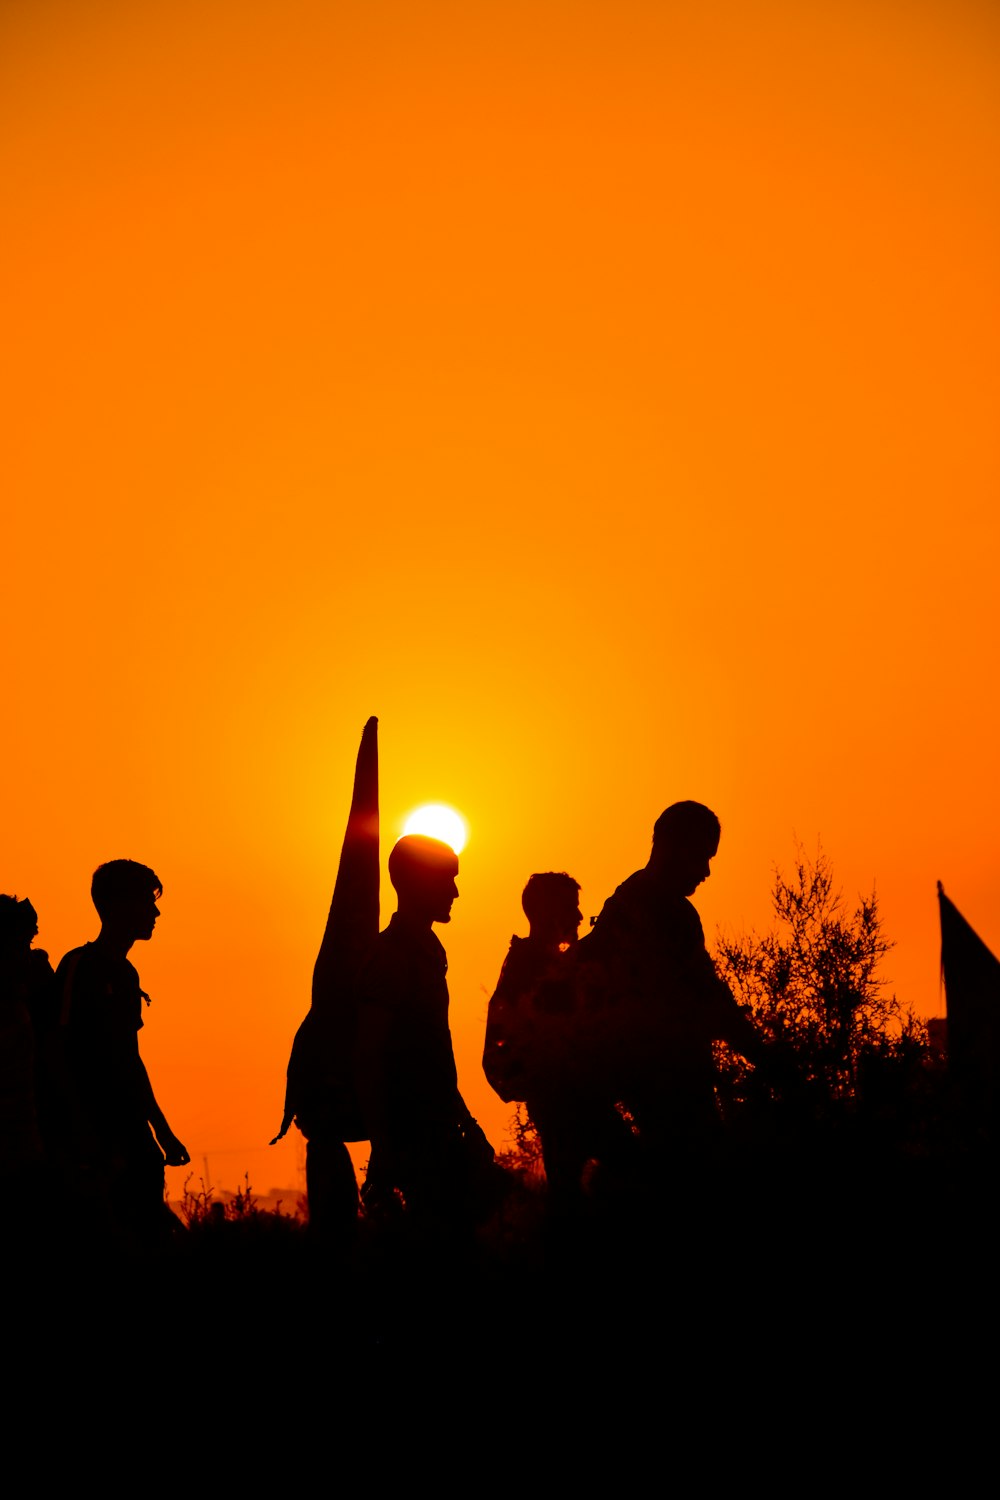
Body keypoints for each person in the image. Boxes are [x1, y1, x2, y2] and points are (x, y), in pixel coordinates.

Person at [582, 802, 763, 1173]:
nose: (707, 871)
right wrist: (769, 1058)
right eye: (702, 856)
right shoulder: (666, 911)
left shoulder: (623, 902)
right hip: (669, 1086)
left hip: (640, 1084)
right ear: (675, 846)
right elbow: (709, 998)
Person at [356, 835, 494, 1246]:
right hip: (412, 1138)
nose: (455, 892)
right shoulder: (390, 957)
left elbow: (436, 1051)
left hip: (439, 1129)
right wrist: (382, 1147)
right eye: (446, 880)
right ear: (415, 882)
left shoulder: (430, 950)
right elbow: (368, 1056)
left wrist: (465, 1120)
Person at [52, 859, 189, 1245]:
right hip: (94, 1134)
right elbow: (56, 1051)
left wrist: (163, 1132)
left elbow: (131, 1060)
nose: (156, 911)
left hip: (132, 1133)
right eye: (147, 902)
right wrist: (78, 1128)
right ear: (115, 905)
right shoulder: (80, 966)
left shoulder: (127, 976)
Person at [484, 872, 631, 1209]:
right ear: (550, 912)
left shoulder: (550, 962)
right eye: (571, 908)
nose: (579, 917)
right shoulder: (531, 968)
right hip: (564, 1100)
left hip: (571, 1097)